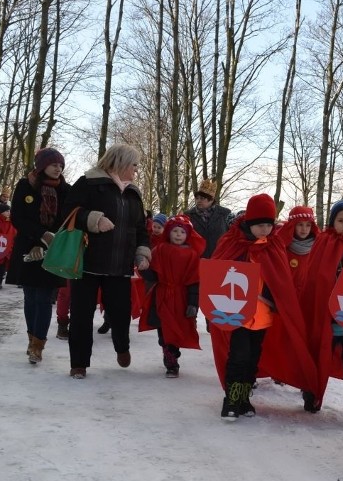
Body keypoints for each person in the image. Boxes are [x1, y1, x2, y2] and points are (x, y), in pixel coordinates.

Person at [208, 193, 317, 419]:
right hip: (237, 314)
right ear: (250, 223)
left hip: (263, 315)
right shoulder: (232, 242)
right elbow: (219, 273)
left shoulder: (275, 244)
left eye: (269, 224)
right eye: (260, 225)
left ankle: (244, 399)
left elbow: (281, 279)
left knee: (252, 358)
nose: (265, 230)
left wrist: (274, 299)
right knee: (238, 356)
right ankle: (231, 399)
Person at [63, 143, 150, 379]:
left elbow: (140, 227)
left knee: (120, 313)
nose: (136, 170)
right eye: (134, 164)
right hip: (88, 262)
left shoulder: (133, 193)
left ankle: (122, 347)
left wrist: (142, 252)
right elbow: (68, 212)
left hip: (120, 265)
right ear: (120, 162)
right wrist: (93, 219)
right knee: (81, 315)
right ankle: (78, 364)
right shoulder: (89, 183)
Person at [298, 199, 343, 426]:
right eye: (341, 220)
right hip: (327, 317)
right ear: (333, 222)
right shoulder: (323, 243)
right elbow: (314, 278)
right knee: (319, 356)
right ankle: (312, 392)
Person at [7, 148, 71, 364]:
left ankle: (38, 346)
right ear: (42, 165)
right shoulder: (26, 185)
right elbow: (17, 217)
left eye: (61, 165)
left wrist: (51, 237)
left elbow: (68, 218)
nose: (58, 168)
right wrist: (40, 235)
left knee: (44, 298)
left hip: (53, 249)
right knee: (30, 296)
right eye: (54, 164)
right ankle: (31, 338)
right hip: (27, 246)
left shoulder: (65, 190)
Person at [139, 214, 204, 377]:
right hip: (162, 295)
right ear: (168, 232)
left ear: (188, 235)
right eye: (175, 231)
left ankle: (173, 353)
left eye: (182, 232)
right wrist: (144, 268)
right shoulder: (160, 250)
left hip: (181, 298)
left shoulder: (192, 255)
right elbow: (153, 274)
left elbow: (194, 282)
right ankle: (169, 358)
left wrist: (193, 303)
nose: (178, 235)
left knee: (177, 327)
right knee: (164, 326)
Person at [278, 205, 320, 297]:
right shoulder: (281, 247)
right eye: (300, 224)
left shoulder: (318, 248)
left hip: (308, 296)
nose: (304, 229)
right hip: (287, 296)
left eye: (308, 225)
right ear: (293, 225)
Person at [184, 179, 232, 258]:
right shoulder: (188, 215)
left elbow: (231, 236)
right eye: (197, 198)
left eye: (202, 198)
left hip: (219, 258)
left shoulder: (225, 214)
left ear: (211, 199)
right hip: (196, 258)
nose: (198, 200)